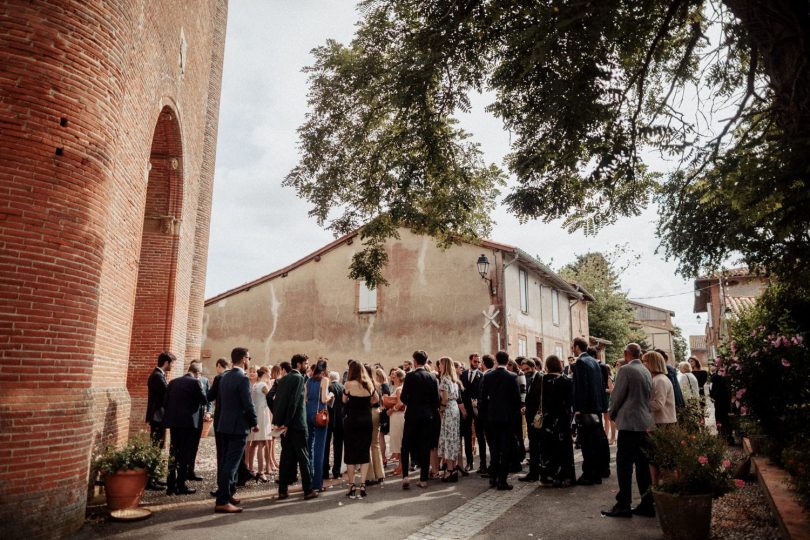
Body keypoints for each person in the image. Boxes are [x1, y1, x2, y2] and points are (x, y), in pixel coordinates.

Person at [601, 343, 655, 519]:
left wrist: (612, 414)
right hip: (643, 422)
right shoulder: (646, 370)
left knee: (624, 466)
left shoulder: (625, 370)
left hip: (629, 424)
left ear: (626, 354)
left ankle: (623, 504)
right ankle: (647, 503)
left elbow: (617, 397)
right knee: (642, 466)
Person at [213, 347, 258, 514]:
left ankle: (229, 494)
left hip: (223, 425)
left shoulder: (224, 377)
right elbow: (247, 404)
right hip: (237, 427)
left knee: (226, 462)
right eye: (249, 358)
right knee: (231, 465)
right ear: (244, 359)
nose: (249, 360)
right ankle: (222, 500)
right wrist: (254, 422)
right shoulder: (242, 379)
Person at [272, 353, 318, 501]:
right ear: (298, 364)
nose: (307, 367)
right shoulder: (298, 378)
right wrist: (287, 422)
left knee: (285, 458)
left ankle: (282, 491)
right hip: (297, 424)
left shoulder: (283, 379)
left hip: (286, 425)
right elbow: (293, 402)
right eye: (306, 364)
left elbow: (276, 400)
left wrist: (280, 422)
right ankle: (308, 489)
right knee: (303, 457)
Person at [163, 360, 208, 496]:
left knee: (173, 452)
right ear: (197, 373)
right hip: (189, 424)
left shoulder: (173, 382)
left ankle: (170, 485)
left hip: (174, 423)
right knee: (184, 454)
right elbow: (204, 400)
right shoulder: (195, 382)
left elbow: (165, 401)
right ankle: (181, 485)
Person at [479, 350, 521, 490]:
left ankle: (493, 478)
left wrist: (485, 414)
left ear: (496, 360)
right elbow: (516, 400)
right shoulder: (512, 377)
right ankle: (502, 480)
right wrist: (513, 415)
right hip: (507, 418)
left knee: (494, 448)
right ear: (507, 361)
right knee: (505, 449)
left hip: (491, 418)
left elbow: (483, 398)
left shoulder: (488, 376)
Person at [400, 350, 441, 489]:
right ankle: (423, 479)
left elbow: (403, 397)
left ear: (415, 361)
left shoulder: (410, 376)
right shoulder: (432, 377)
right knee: (425, 446)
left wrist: (412, 402)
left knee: (406, 445)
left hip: (412, 415)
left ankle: (405, 476)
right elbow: (437, 400)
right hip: (427, 416)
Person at [537, 355, 576, 487]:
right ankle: (565, 477)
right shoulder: (566, 381)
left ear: (547, 365)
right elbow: (570, 401)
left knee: (548, 447)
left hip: (548, 419)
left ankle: (548, 476)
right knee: (564, 447)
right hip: (563, 419)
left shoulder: (543, 380)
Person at [571, 337, 605, 485]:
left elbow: (581, 387)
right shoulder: (594, 362)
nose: (572, 348)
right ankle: (596, 472)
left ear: (577, 347)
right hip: (596, 407)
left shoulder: (580, 362)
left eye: (573, 346)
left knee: (587, 444)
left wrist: (578, 409)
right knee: (595, 443)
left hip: (586, 409)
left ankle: (589, 474)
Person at [343, 360, 378, 498]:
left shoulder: (348, 384)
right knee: (364, 451)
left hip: (352, 421)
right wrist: (366, 404)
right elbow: (376, 399)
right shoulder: (368, 384)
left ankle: (352, 485)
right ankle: (362, 484)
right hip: (365, 420)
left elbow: (344, 400)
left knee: (350, 453)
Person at [145, 351, 174, 490]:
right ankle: (151, 480)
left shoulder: (159, 375)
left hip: (159, 416)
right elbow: (166, 394)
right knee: (155, 447)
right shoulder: (157, 376)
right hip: (157, 416)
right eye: (171, 363)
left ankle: (155, 477)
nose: (171, 366)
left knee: (158, 446)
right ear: (166, 363)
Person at [306, 359, 332, 492]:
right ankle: (317, 483)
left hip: (308, 413)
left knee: (309, 447)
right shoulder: (325, 380)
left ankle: (308, 480)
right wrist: (330, 395)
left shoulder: (309, 380)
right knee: (319, 449)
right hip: (320, 414)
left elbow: (305, 398)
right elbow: (323, 399)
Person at [436, 357, 462, 482]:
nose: (439, 366)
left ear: (444, 365)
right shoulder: (454, 380)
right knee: (453, 437)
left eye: (440, 364)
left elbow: (444, 399)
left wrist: (441, 410)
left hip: (448, 410)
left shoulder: (444, 379)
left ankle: (450, 470)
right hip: (455, 408)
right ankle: (453, 467)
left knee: (448, 438)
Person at [246, 366, 273, 483]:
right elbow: (271, 398)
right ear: (265, 374)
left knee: (254, 443)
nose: (270, 376)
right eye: (269, 374)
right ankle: (261, 471)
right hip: (262, 414)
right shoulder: (263, 385)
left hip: (257, 413)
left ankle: (251, 468)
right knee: (262, 443)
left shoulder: (255, 385)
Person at [460, 353, 484, 473]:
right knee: (467, 435)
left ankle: (483, 463)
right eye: (475, 361)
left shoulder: (482, 375)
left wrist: (478, 402)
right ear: (470, 361)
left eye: (479, 362)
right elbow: (461, 392)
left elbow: (483, 392)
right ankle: (469, 462)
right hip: (466, 408)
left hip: (477, 408)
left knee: (480, 435)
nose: (477, 364)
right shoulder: (463, 375)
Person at [520, 358, 544, 482]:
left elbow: (541, 400)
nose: (525, 372)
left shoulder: (540, 378)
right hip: (530, 417)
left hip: (537, 419)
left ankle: (535, 473)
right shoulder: (528, 379)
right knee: (533, 446)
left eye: (527, 369)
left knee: (536, 446)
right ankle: (534, 472)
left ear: (533, 367)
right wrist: (525, 408)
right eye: (523, 370)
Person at [188, 362, 210, 482]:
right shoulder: (191, 381)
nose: (200, 373)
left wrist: (208, 412)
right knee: (187, 445)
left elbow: (208, 400)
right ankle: (186, 471)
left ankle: (190, 469)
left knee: (194, 445)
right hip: (191, 417)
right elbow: (203, 398)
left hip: (200, 416)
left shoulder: (205, 381)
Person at [644, 351, 677, 426]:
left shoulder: (660, 380)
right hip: (660, 421)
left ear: (653, 363)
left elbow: (658, 404)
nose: (643, 364)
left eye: (645, 361)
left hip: (663, 422)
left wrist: (641, 406)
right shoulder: (657, 378)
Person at [323, 371, 345, 480]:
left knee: (326, 445)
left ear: (330, 378)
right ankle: (337, 470)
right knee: (338, 445)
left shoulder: (329, 387)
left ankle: (325, 470)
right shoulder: (342, 387)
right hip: (340, 419)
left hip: (329, 419)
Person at [386, 368, 406, 475]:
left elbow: (400, 403)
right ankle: (400, 465)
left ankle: (402, 466)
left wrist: (391, 410)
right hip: (397, 417)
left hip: (398, 416)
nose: (392, 378)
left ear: (398, 378)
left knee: (400, 442)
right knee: (399, 442)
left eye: (394, 376)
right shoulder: (400, 387)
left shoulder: (399, 389)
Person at [710, 364, 733, 443]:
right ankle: (726, 436)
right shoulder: (725, 377)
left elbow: (713, 389)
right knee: (724, 418)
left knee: (722, 418)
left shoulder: (717, 377)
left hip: (721, 400)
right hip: (724, 400)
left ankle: (724, 436)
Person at [374, 367, 392, 467]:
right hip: (383, 413)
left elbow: (385, 401)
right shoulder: (383, 385)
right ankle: (382, 457)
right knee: (380, 436)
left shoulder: (384, 386)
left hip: (383, 413)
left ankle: (383, 458)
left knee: (381, 436)